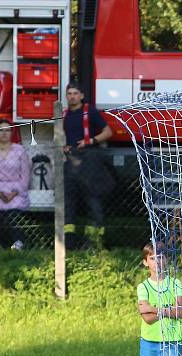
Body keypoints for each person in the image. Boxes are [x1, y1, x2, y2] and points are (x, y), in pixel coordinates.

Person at [62, 82, 113, 250]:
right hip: (70, 165)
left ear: (81, 96)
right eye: (69, 93)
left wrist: (90, 141)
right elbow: (59, 138)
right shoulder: (63, 115)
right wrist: (64, 147)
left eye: (75, 93)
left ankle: (95, 244)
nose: (72, 96)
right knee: (69, 206)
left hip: (90, 164)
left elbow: (108, 132)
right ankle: (69, 245)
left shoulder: (90, 112)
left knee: (94, 204)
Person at [0, 119, 30, 250]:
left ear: (11, 132)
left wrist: (13, 194)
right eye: (1, 130)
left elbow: (25, 177)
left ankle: (18, 243)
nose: (4, 133)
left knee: (13, 213)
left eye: (7, 130)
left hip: (16, 191)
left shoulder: (20, 151)